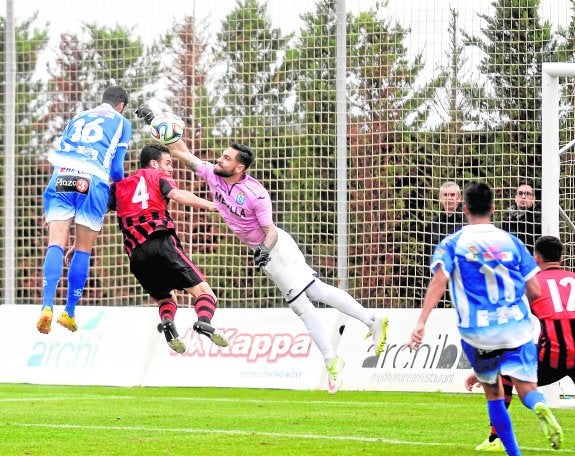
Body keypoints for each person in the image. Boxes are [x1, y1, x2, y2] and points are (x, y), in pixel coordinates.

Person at [156, 132, 388, 395]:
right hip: (266, 252)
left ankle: (331, 361)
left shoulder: (256, 194)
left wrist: (265, 251)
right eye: (222, 155)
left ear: (239, 168)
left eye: (227, 158)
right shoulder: (212, 174)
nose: (220, 159)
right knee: (316, 291)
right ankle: (371, 320)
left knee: (302, 306)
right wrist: (159, 124)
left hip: (276, 250)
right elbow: (182, 152)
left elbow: (271, 232)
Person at [404, 182, 563, 455]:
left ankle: (514, 453)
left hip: (478, 332)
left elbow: (439, 281)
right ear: (493, 208)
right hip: (515, 326)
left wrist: (421, 322)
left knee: (495, 394)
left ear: (465, 209)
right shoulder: (511, 242)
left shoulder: (452, 243)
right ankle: (539, 404)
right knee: (527, 388)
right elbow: (535, 290)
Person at [105, 143, 229, 352]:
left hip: (136, 255)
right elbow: (177, 195)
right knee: (205, 293)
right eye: (168, 163)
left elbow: (96, 212)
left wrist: (77, 244)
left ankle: (168, 324)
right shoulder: (158, 176)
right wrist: (211, 205)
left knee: (165, 298)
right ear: (154, 164)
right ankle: (204, 322)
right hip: (162, 243)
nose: (170, 168)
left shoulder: (118, 187)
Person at [37, 86, 132, 334]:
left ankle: (46, 306)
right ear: (121, 106)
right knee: (82, 249)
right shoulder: (122, 122)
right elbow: (117, 170)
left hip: (62, 176)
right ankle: (69, 312)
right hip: (93, 180)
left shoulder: (78, 117)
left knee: (56, 243)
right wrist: (120, 189)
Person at [468, 235, 575, 451]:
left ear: (536, 259)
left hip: (552, 355)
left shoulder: (530, 285)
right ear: (562, 259)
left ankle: (496, 437)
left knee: (505, 373)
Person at [422, 181, 466, 307]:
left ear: (459, 198)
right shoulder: (432, 226)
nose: (449, 198)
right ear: (440, 199)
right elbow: (427, 256)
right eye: (445, 195)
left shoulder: (467, 224)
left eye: (452, 195)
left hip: (461, 283)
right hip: (439, 283)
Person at [501, 180, 541, 253]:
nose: (523, 197)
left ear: (533, 198)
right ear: (515, 197)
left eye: (527, 194)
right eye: (520, 193)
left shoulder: (539, 220)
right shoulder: (508, 219)